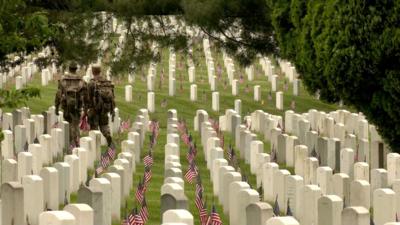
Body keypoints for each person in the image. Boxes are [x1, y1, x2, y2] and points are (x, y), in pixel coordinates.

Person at [55, 61, 87, 148]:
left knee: (69, 123)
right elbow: (85, 95)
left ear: (69, 69)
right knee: (75, 123)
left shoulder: (63, 79)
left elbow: (58, 94)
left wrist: (56, 107)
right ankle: (76, 142)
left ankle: (72, 142)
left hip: (67, 105)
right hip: (77, 106)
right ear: (76, 69)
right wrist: (86, 108)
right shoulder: (81, 80)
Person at [86, 64, 115, 147]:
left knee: (94, 127)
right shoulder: (107, 82)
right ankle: (107, 135)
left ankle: (95, 146)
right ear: (100, 71)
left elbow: (88, 97)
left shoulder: (91, 83)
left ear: (92, 71)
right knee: (104, 125)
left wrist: (86, 109)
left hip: (94, 109)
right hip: (105, 108)